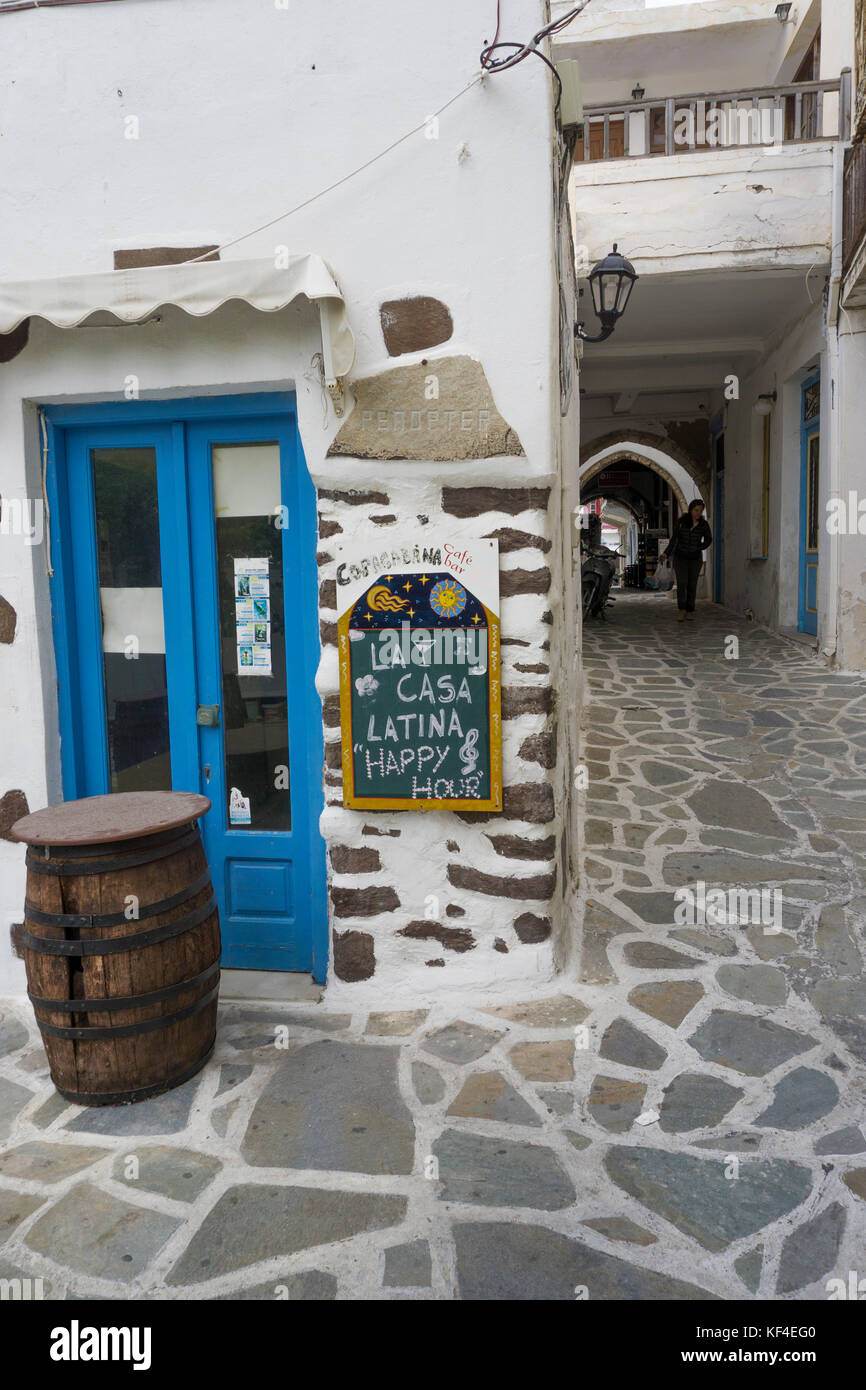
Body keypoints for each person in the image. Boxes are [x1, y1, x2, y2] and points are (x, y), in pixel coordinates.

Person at [659, 499, 712, 621]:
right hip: (680, 558)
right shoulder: (682, 522)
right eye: (696, 510)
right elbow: (674, 540)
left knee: (692, 584)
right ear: (691, 510)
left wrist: (700, 547)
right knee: (682, 583)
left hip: (695, 559)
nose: (698, 513)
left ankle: (690, 610)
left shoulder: (703, 525)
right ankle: (682, 609)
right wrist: (666, 554)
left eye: (700, 511)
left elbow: (709, 539)